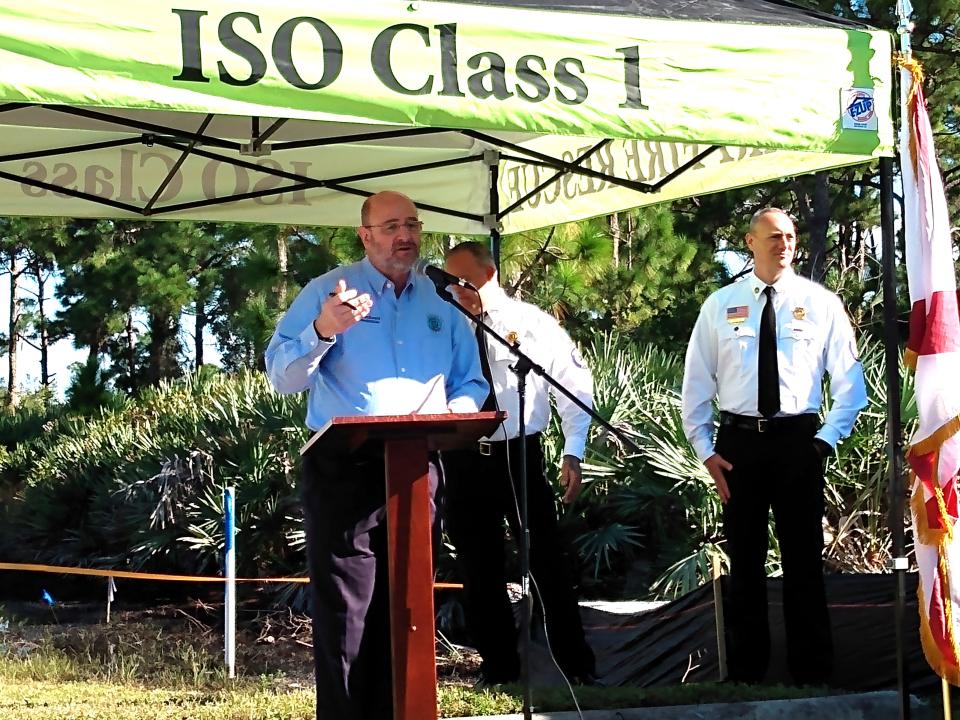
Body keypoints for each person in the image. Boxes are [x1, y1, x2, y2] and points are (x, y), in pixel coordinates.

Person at [264, 191, 488, 720]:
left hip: (418, 468)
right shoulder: (327, 292)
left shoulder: (443, 301)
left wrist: (451, 415)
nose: (404, 235)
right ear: (365, 236)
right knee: (348, 612)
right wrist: (323, 331)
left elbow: (471, 381)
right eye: (390, 226)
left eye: (412, 224)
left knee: (408, 606)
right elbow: (282, 378)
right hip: (344, 469)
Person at [681, 207, 867, 686]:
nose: (783, 244)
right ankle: (746, 676)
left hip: (798, 443)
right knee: (744, 560)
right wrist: (705, 449)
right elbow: (696, 383)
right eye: (772, 237)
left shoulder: (820, 303)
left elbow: (851, 385)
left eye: (789, 236)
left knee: (803, 559)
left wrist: (823, 443)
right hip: (738, 444)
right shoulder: (720, 305)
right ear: (750, 241)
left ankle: (812, 674)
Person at [440, 240, 596, 686]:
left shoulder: (530, 323)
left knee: (547, 562)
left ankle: (577, 671)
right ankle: (498, 672)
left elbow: (574, 386)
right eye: (448, 282)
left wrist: (573, 449)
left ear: (486, 275)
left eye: (459, 279)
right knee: (478, 567)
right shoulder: (446, 327)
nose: (452, 289)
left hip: (519, 452)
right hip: (463, 458)